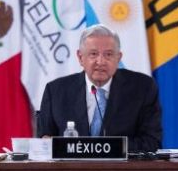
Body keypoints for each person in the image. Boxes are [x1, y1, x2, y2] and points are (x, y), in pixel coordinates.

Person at [37, 24, 162, 152]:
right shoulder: (56, 91)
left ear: (118, 58)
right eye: (93, 54)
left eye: (108, 54)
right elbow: (44, 140)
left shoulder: (143, 88)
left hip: (123, 170)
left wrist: (105, 147)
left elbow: (151, 142)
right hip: (70, 170)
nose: (101, 61)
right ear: (80, 58)